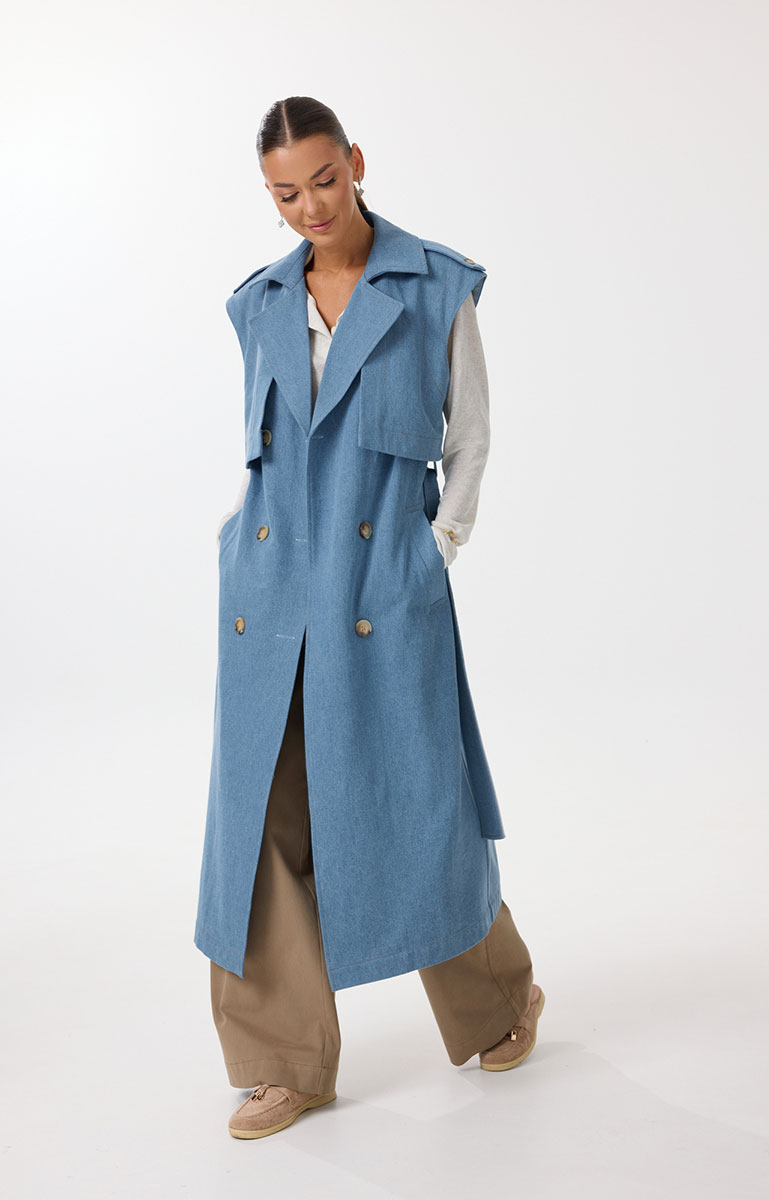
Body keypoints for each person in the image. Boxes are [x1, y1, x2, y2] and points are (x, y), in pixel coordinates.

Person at [194, 95, 545, 1141]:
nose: (308, 207)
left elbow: (468, 436)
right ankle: (283, 1062)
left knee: (414, 799)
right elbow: (264, 453)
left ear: (354, 161)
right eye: (284, 194)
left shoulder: (434, 285)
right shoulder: (257, 303)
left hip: (382, 590)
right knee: (263, 820)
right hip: (268, 595)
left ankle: (499, 998)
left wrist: (433, 550)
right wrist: (234, 541)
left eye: (322, 180)